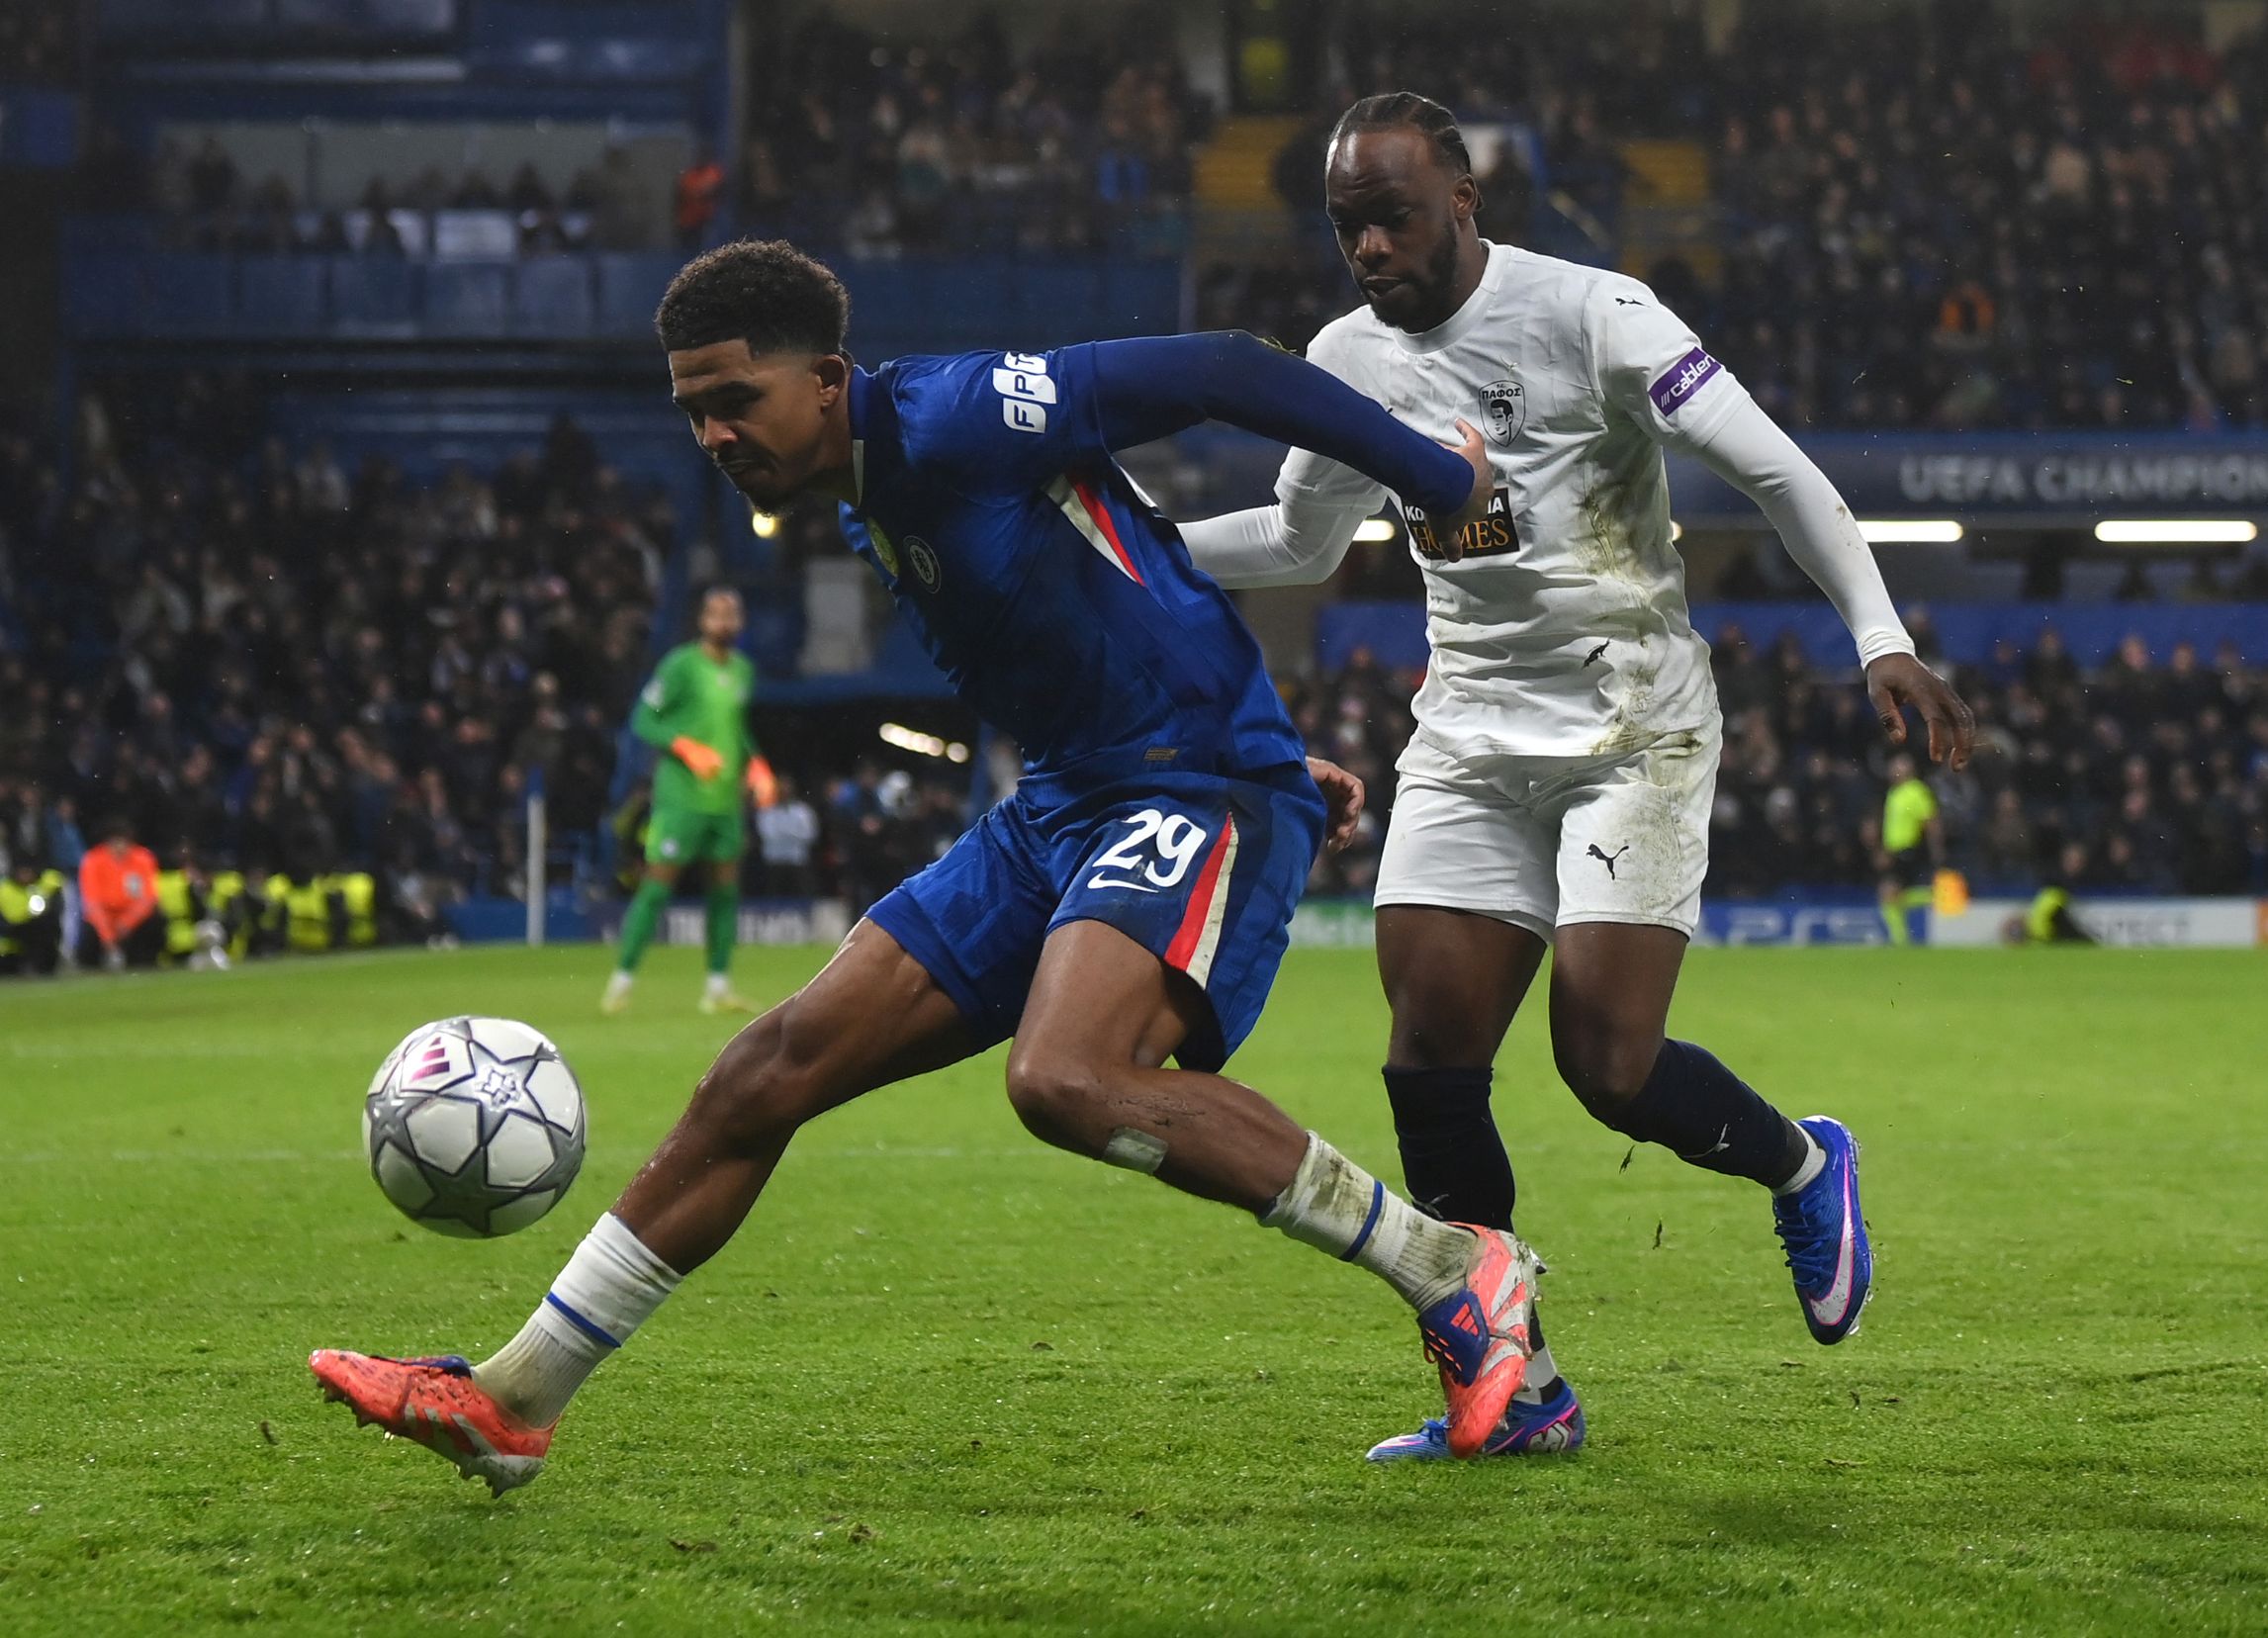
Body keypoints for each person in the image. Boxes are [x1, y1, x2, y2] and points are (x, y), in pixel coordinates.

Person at [311, 237, 1543, 1493]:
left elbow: (1223, 367)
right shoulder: (870, 490)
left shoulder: (951, 415)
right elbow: (1122, 567)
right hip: (1070, 799)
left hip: (1188, 787)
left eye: (736, 400)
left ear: (828, 376)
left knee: (1064, 1078)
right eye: (691, 413)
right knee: (761, 1073)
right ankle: (515, 1400)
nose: (715, 436)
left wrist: (1432, 476)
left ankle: (1453, 1268)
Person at [1176, 94, 1977, 1462]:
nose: (1368, 247)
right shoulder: (1345, 357)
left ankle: (1803, 1163)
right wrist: (1124, 545)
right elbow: (1300, 544)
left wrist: (1881, 636)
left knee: (1606, 1066)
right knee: (1430, 1058)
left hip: (1631, 723)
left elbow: (1773, 469)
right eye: (1345, 224)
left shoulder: (1596, 312)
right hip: (1470, 736)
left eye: (1395, 217)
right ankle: (1515, 1388)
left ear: (1465, 200)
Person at [601, 587, 777, 1017]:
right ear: (702, 620)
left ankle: (717, 989)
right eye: (717, 613)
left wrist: (757, 766)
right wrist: (685, 747)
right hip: (681, 799)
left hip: (725, 802)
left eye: (732, 613)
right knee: (656, 888)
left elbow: (735, 729)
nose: (725, 621)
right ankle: (621, 981)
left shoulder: (742, 670)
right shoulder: (681, 665)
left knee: (725, 892)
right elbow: (644, 719)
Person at [76, 818, 166, 971]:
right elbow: (92, 902)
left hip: (134, 917)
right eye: (114, 841)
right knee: (88, 936)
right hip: (104, 917)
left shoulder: (143, 858)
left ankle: (144, 961)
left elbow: (148, 898)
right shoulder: (92, 861)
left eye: (123, 841)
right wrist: (108, 936)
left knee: (156, 921)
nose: (119, 846)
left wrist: (126, 923)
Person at [1876, 752, 1942, 946]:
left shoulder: (1917, 791)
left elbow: (1930, 821)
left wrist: (1935, 848)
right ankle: (1930, 897)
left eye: (1899, 766)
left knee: (1888, 894)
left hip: (1909, 849)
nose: (1894, 770)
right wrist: (1885, 849)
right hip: (1894, 850)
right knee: (1892, 896)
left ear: (1909, 770)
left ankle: (1900, 939)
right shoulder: (1894, 792)